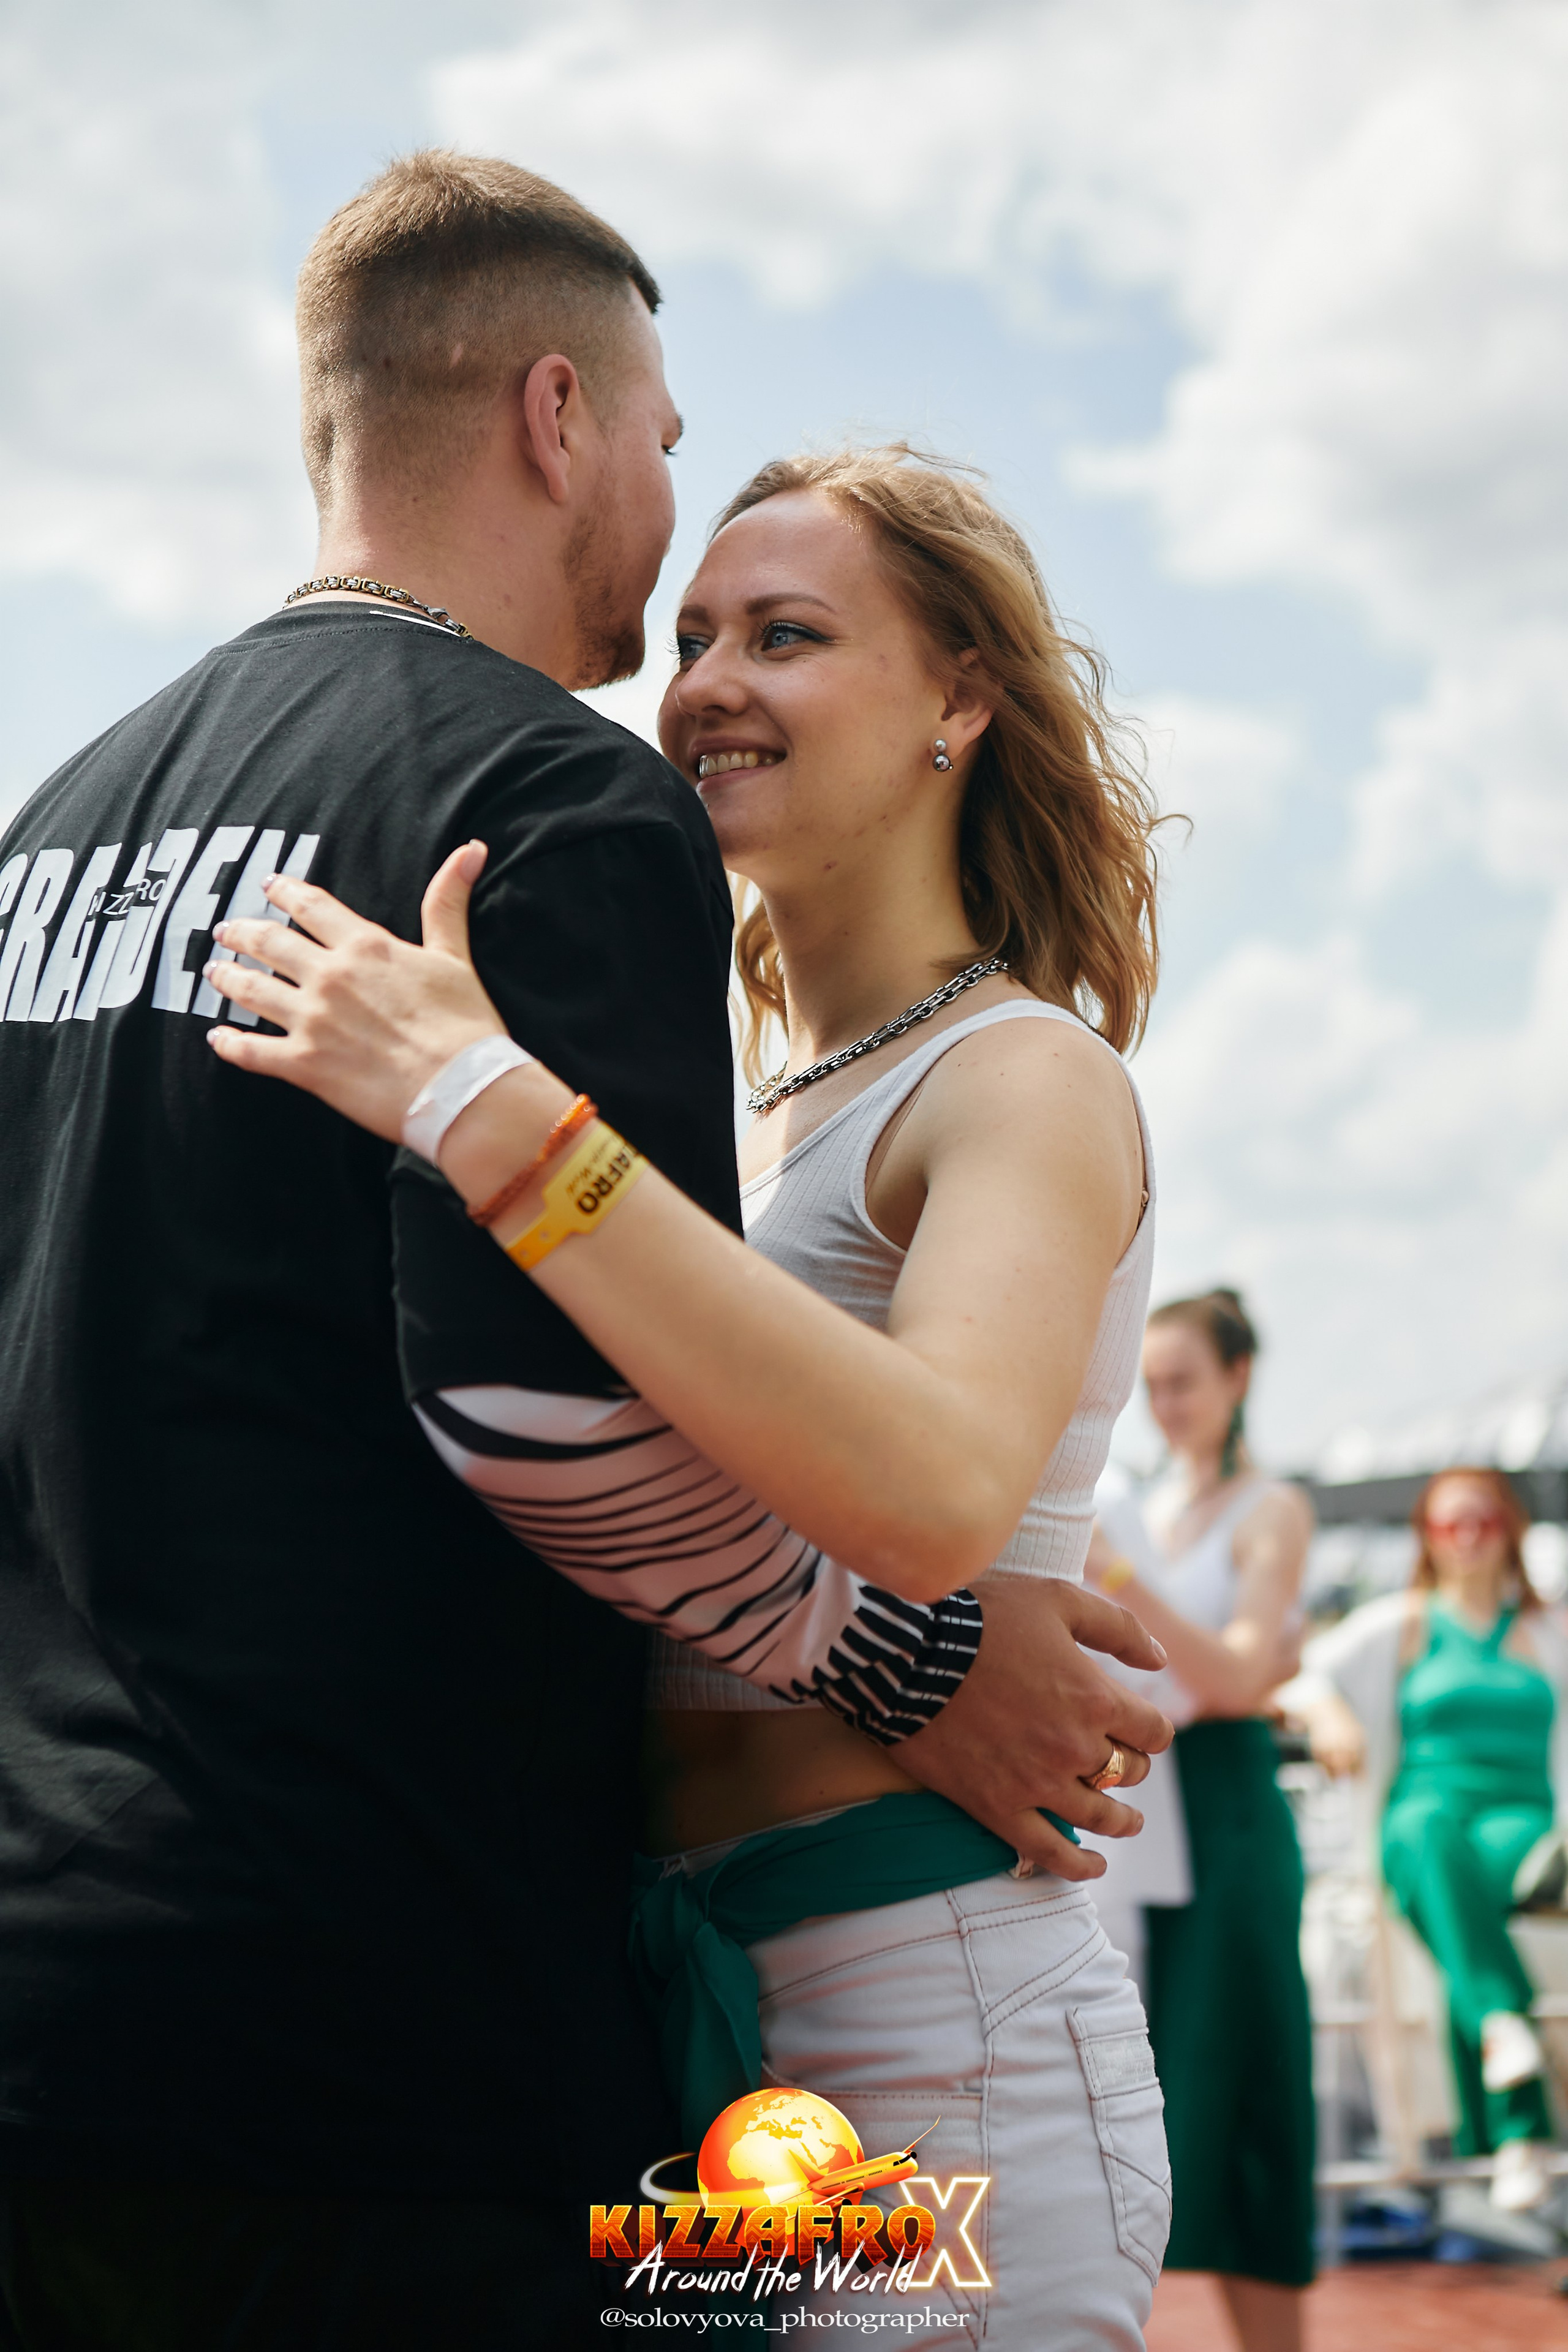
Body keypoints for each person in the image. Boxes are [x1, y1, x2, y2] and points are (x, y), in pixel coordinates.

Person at [0, 158, 1167, 2350]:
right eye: (705, 617)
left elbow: (909, 1480)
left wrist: (482, 1104)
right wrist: (907, 1658)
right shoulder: (588, 882)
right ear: (557, 415)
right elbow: (527, 1406)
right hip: (581, 2022)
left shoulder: (1018, 1079)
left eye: (785, 634)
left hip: (913, 2026)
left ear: (958, 705)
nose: (700, 675)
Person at [1084, 1290, 1315, 2352]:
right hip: (1139, 1817)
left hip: (1226, 1817)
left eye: (1183, 1380)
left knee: (1248, 2086)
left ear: (1239, 1379)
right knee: (1149, 2099)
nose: (1163, 1402)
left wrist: (1114, 1574)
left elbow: (1227, 1676)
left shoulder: (1272, 1509)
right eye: (1152, 1382)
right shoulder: (1135, 1501)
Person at [1288, 1466, 1568, 2214]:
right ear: (1427, 1538)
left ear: (1508, 1529)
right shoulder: (1400, 1622)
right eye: (1449, 1524)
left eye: (1481, 1521)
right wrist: (1329, 1716)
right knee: (1420, 1830)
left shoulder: (1549, 1631)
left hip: (1522, 1824)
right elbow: (1298, 1671)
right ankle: (1513, 2081)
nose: (1467, 1538)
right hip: (1424, 1813)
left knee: (1449, 1863)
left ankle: (1505, 2055)